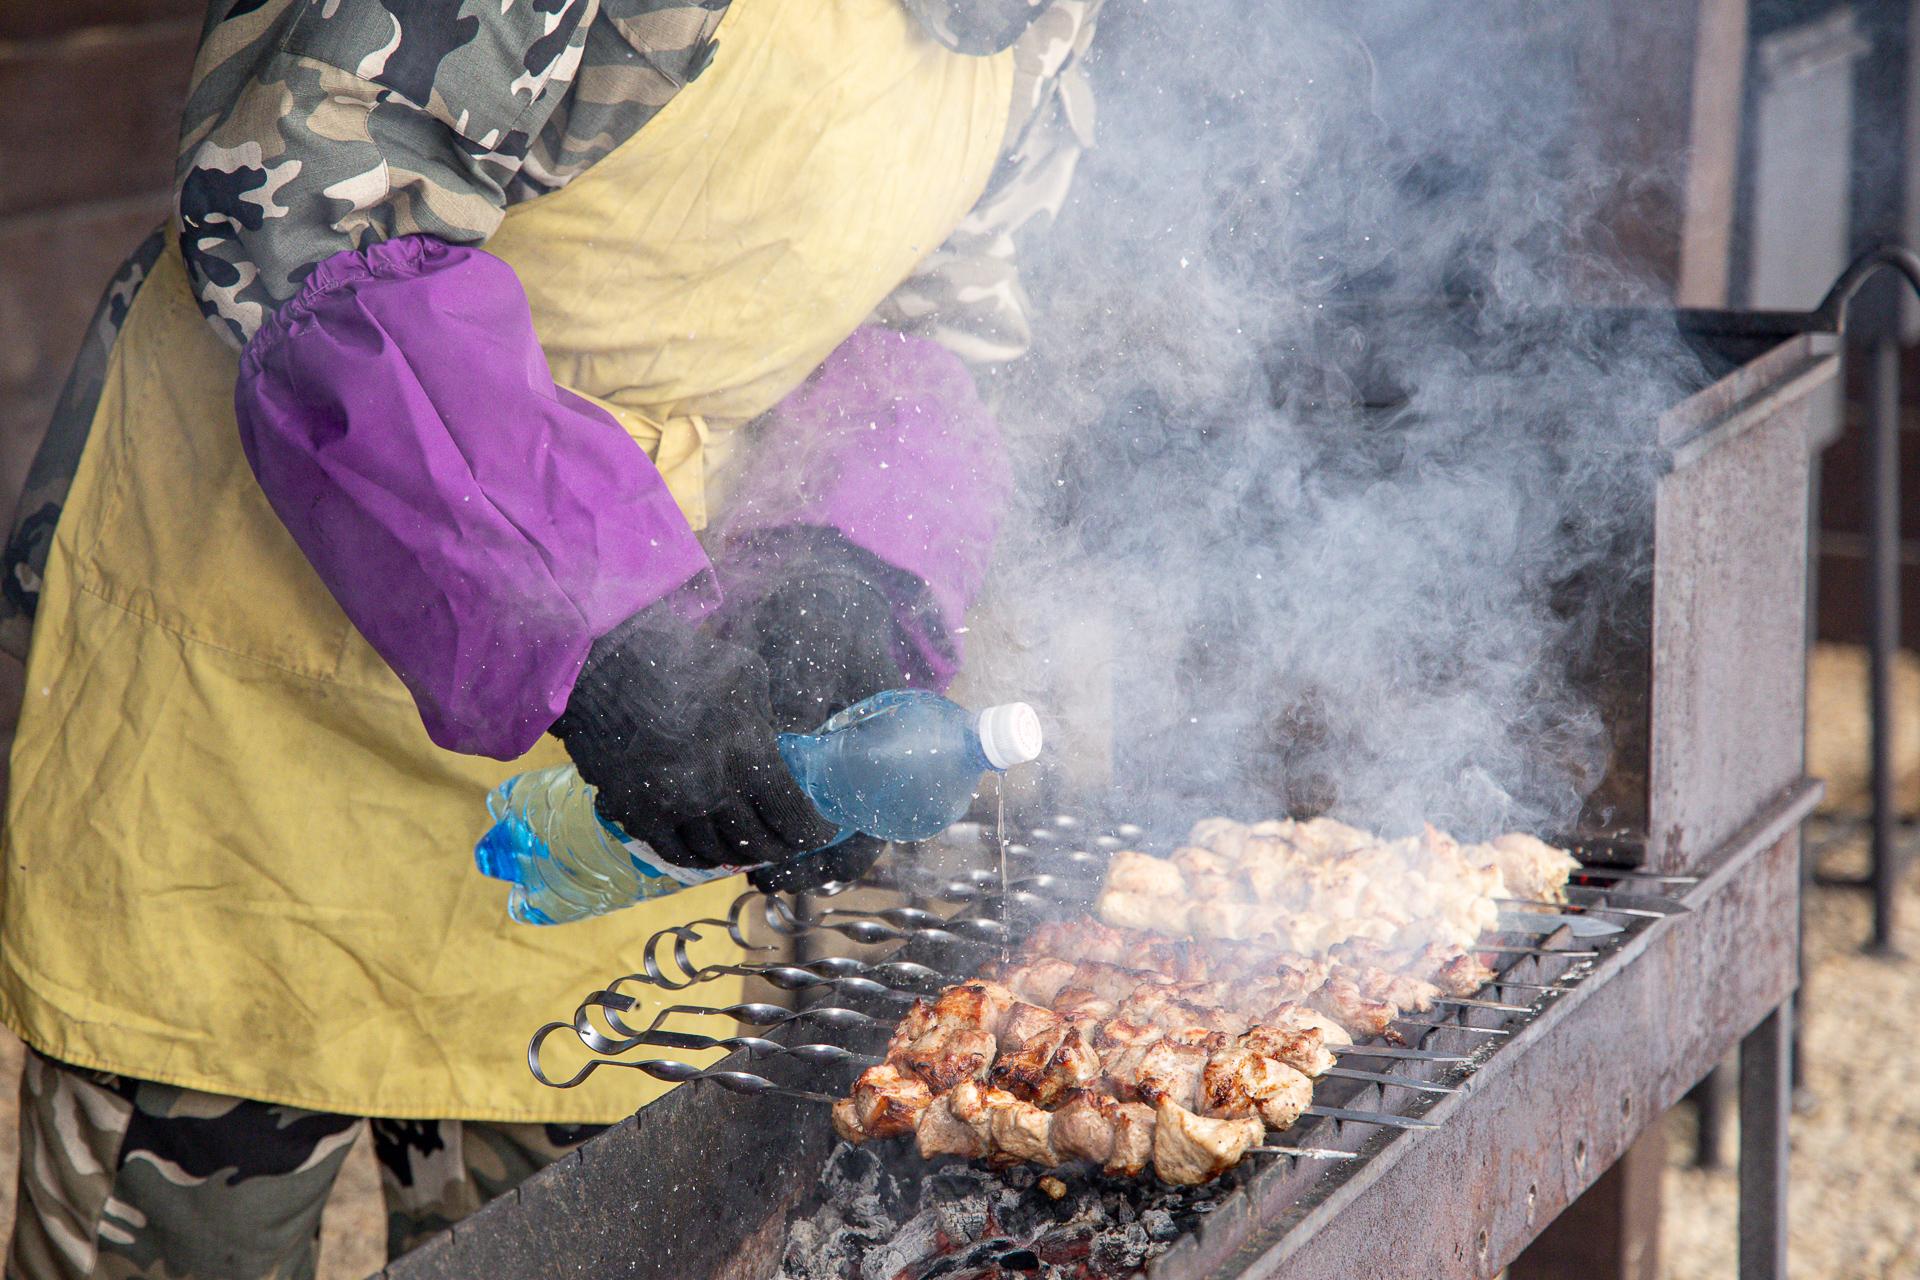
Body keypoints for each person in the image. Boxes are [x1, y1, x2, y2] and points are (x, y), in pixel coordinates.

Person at [0, 0, 1104, 1274]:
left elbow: (938, 325)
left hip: (628, 746)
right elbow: (296, 213)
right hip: (251, 688)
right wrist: (592, 608)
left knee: (590, 1236)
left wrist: (841, 570)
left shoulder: (1045, 29)